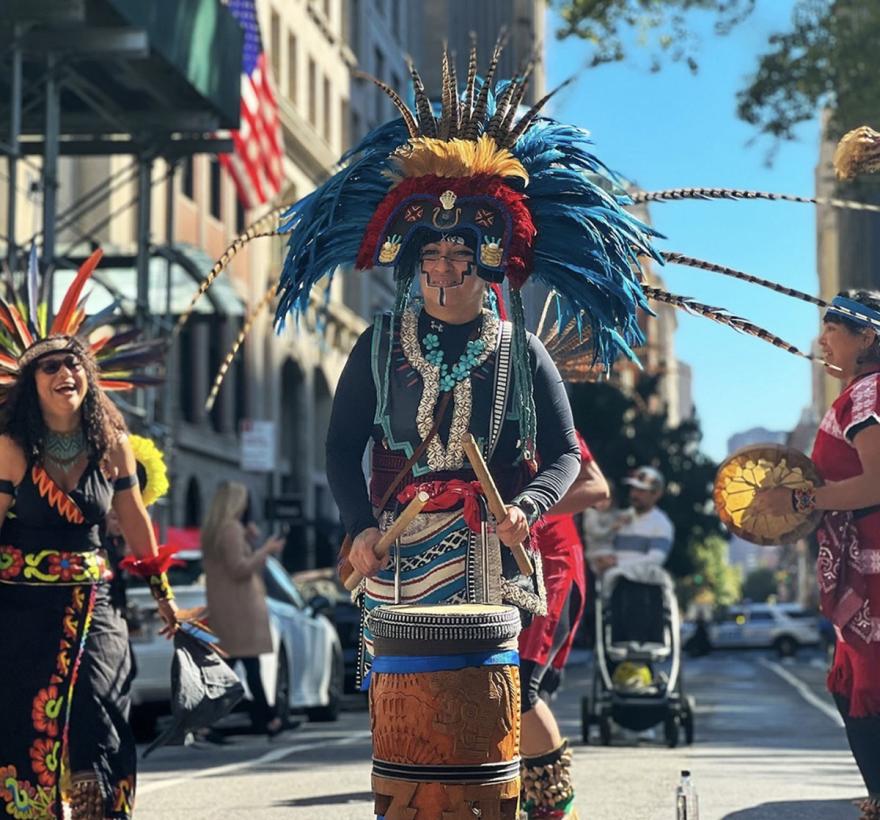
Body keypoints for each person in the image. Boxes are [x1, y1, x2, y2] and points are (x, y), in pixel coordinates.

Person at [266, 40, 659, 816]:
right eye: (432, 257)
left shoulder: (524, 351)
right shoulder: (378, 344)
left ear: (490, 265)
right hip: (399, 545)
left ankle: (534, 804)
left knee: (491, 695)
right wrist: (355, 526)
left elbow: (560, 458)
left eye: (461, 257)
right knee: (405, 705)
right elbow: (344, 447)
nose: (445, 270)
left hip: (492, 552)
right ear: (412, 265)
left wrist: (530, 507)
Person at [0, 249, 176, 820]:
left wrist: (166, 601)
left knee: (100, 708)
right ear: (33, 384)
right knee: (28, 719)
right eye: (50, 367)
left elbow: (134, 521)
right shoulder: (11, 451)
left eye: (73, 365)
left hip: (95, 603)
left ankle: (98, 804)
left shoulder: (112, 445)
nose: (64, 374)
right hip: (20, 607)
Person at [754, 289, 880, 819]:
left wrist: (799, 499)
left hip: (874, 571)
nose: (821, 339)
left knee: (865, 688)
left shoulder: (868, 395)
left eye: (833, 329)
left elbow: (876, 483)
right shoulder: (861, 393)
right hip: (864, 567)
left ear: (868, 338)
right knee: (854, 685)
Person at [518, 433, 609, 819]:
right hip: (498, 572)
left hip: (551, 568)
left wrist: (525, 510)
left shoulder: (542, 410)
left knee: (518, 687)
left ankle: (554, 806)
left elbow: (596, 487)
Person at [201, 481, 285, 738]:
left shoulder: (218, 529)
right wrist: (266, 551)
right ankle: (264, 719)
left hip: (227, 607)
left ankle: (265, 719)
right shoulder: (230, 529)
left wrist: (250, 541)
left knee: (241, 666)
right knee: (242, 665)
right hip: (239, 608)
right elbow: (239, 569)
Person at [608, 466, 674, 569]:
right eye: (633, 488)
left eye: (641, 490)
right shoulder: (619, 517)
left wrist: (616, 565)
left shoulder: (662, 524)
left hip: (639, 583)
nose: (634, 494)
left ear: (656, 494)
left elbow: (655, 559)